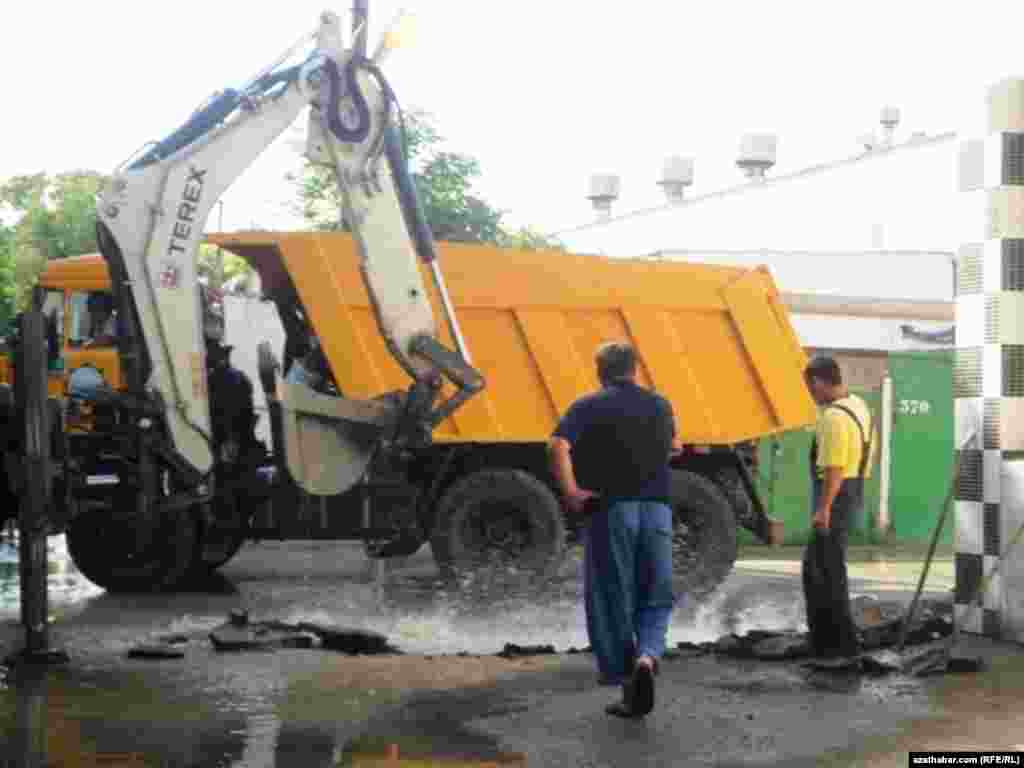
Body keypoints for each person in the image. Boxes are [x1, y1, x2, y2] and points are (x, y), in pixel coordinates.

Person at [548, 342, 682, 718]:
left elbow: (558, 445)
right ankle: (647, 656)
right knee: (656, 592)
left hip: (612, 510)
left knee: (613, 596)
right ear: (635, 368)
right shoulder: (661, 404)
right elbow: (675, 447)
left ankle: (626, 682)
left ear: (600, 370)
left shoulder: (588, 405)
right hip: (658, 509)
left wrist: (572, 491)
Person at [802, 355, 875, 666]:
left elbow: (834, 467)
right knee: (831, 567)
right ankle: (838, 643)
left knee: (820, 571)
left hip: (836, 493)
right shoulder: (859, 406)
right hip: (854, 488)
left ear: (819, 382)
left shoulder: (833, 416)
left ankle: (831, 646)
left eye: (810, 387)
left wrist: (824, 509)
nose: (810, 394)